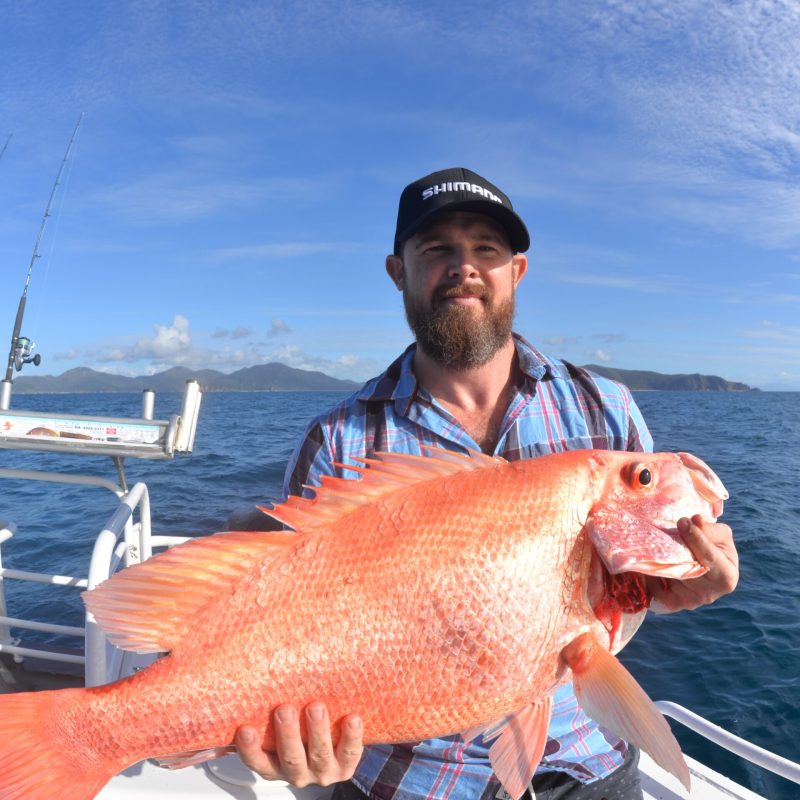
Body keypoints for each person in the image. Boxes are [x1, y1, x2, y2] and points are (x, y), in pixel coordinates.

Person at [233, 167, 739, 799]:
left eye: (486, 250)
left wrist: (682, 586)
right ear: (400, 272)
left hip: (587, 764)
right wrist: (292, 740)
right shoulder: (339, 440)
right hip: (405, 777)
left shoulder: (605, 410)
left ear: (515, 272)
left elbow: (621, 590)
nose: (464, 266)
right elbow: (274, 620)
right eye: (437, 248)